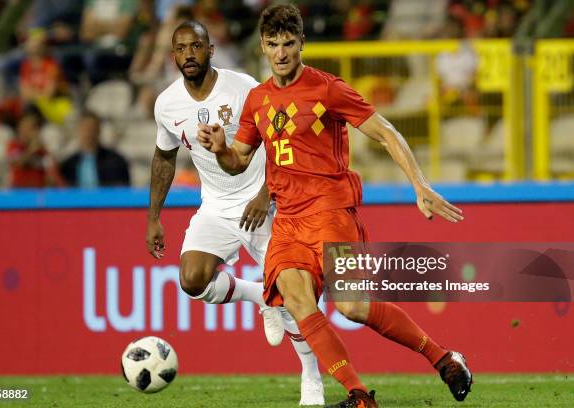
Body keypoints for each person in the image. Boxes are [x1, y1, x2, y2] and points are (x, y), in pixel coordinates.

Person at [198, 4, 473, 408]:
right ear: (262, 46)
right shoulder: (257, 100)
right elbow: (238, 161)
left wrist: (421, 184)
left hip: (331, 214)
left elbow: (386, 132)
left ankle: (444, 358)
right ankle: (359, 396)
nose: (281, 53)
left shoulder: (328, 89)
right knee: (295, 297)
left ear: (302, 43)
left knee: (353, 306)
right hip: (289, 222)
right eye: (273, 44)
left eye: (288, 43)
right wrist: (221, 149)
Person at [145, 20, 324, 405]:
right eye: (180, 48)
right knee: (192, 280)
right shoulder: (167, 104)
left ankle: (311, 378)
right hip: (215, 207)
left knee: (296, 297)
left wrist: (266, 193)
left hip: (264, 203)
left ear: (211, 50)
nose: (188, 54)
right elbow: (163, 157)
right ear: (172, 55)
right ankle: (260, 298)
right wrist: (153, 217)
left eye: (196, 46)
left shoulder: (242, 87)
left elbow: (282, 139)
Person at [60, 110, 130, 187]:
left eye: (92, 128)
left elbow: (122, 191)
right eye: (84, 128)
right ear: (78, 130)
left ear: (99, 130)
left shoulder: (115, 162)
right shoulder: (68, 165)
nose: (88, 133)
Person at [7, 109, 65, 188]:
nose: (34, 131)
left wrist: (44, 149)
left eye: (36, 127)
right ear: (21, 128)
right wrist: (31, 150)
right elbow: (17, 163)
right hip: (20, 192)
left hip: (38, 193)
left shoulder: (41, 150)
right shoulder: (14, 145)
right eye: (31, 127)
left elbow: (53, 168)